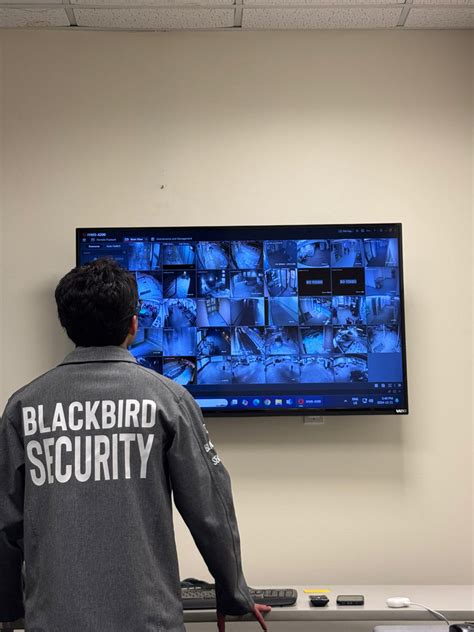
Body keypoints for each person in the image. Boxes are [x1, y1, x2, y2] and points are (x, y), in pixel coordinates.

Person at [0, 258, 270, 632]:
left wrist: (8, 608)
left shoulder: (22, 407)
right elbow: (210, 509)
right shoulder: (168, 400)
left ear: (66, 325)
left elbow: (5, 522)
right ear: (133, 324)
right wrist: (234, 593)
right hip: (148, 621)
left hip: (54, 621)